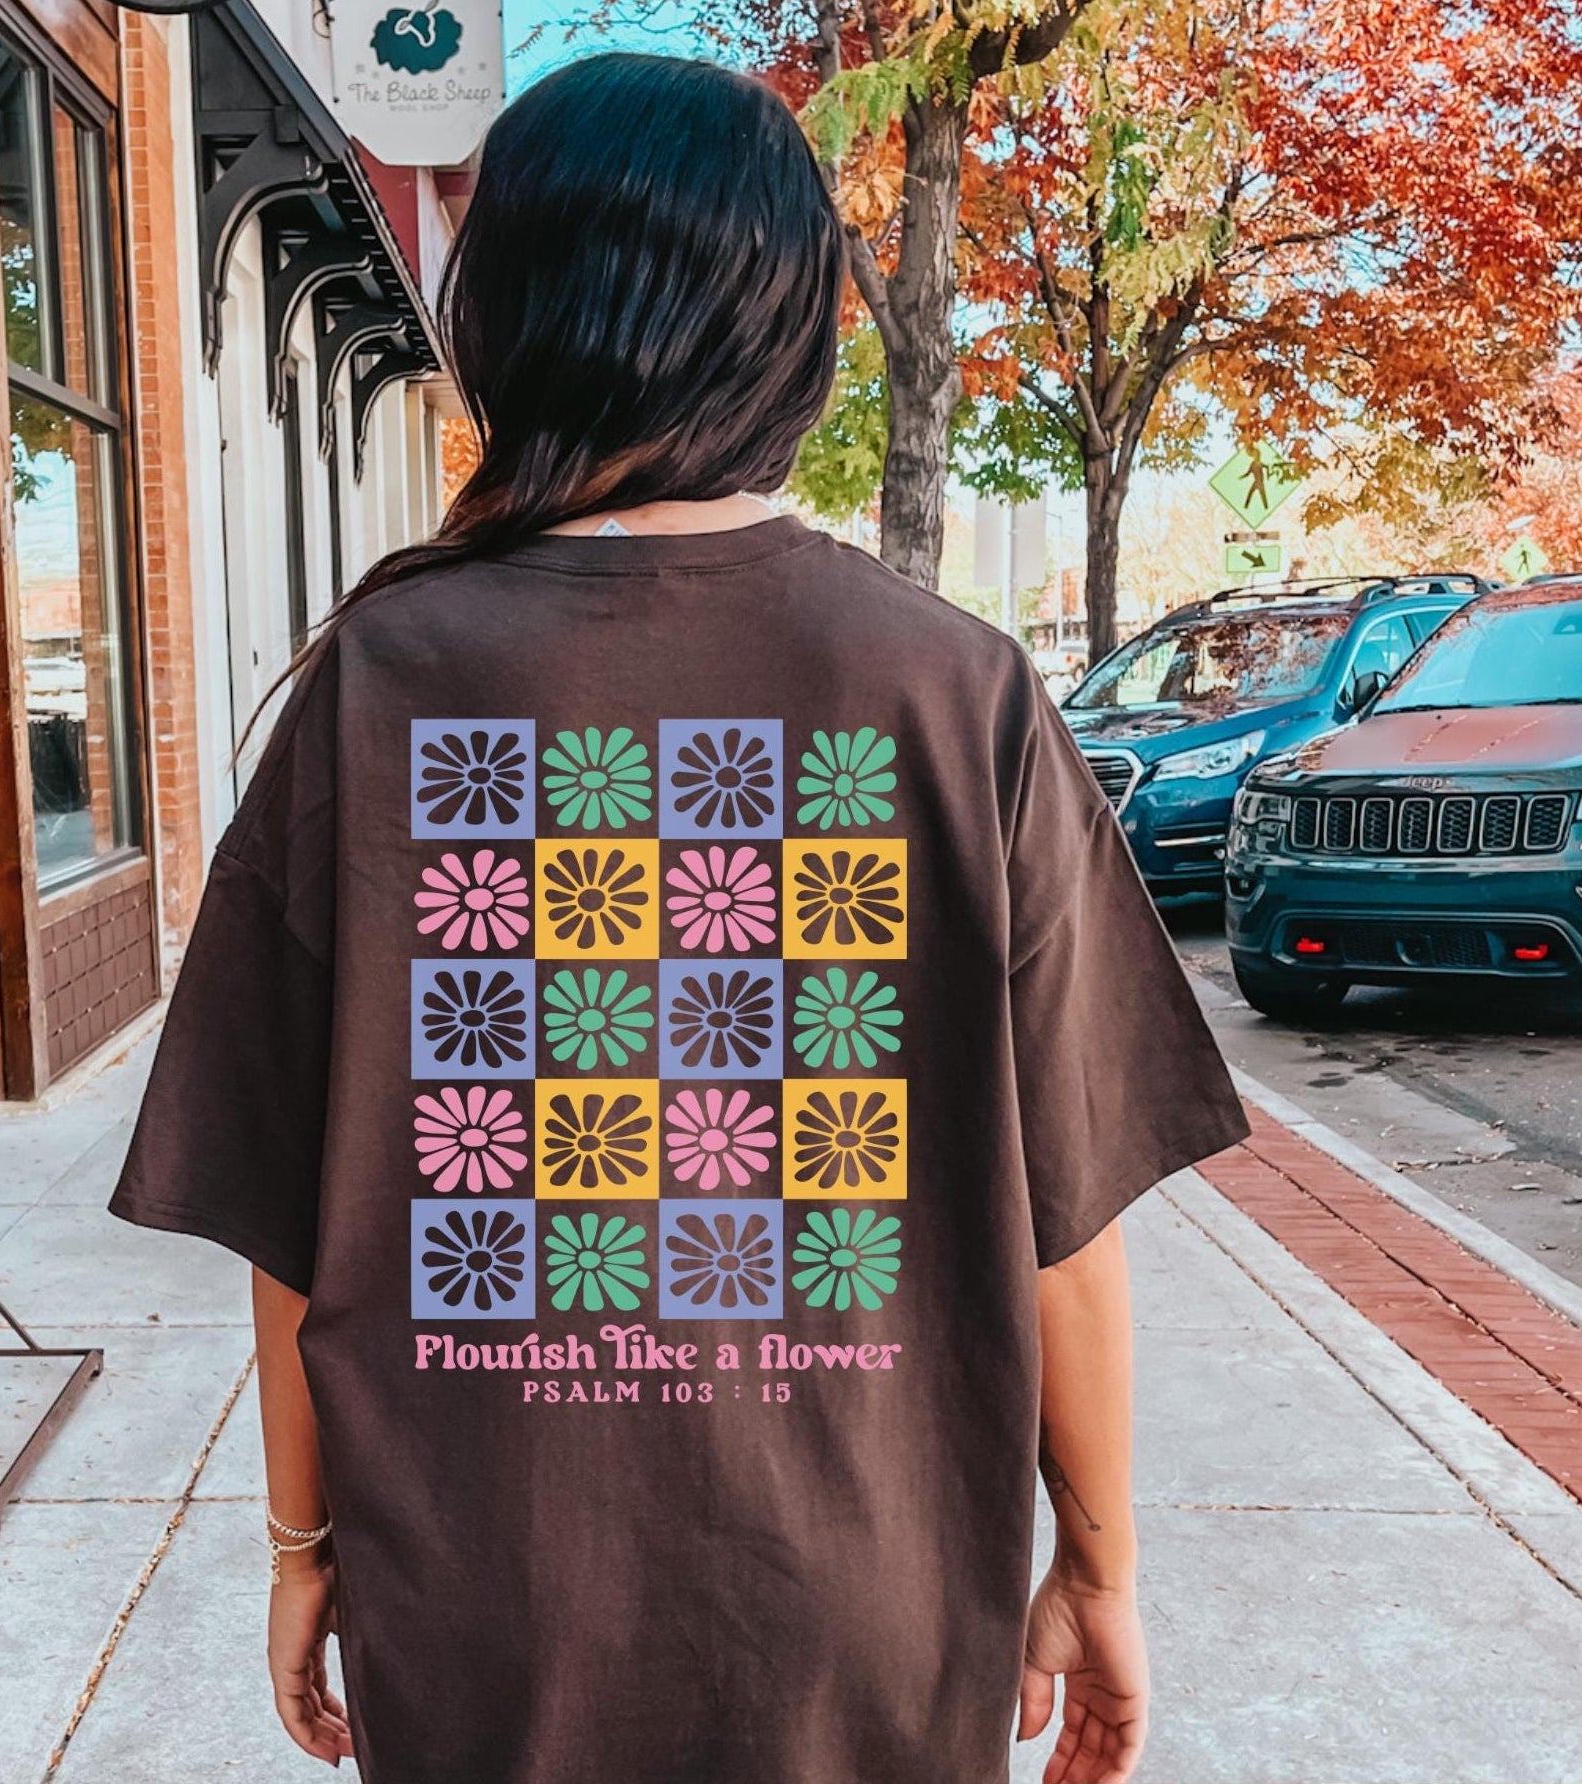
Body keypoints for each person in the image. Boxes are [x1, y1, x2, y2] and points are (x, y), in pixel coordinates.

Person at [110, 51, 1247, 1784]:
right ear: (793, 328)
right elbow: (1063, 1222)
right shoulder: (955, 692)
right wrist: (1098, 1570)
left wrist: (300, 1544)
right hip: (869, 1616)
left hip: (488, 1611)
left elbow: (299, 1220)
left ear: (503, 318)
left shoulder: (379, 682)